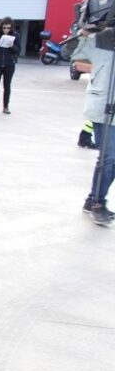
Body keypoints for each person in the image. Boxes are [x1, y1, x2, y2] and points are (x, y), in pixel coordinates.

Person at [71, 24, 115, 226]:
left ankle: (92, 200)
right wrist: (83, 37)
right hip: (104, 108)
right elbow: (72, 55)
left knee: (111, 159)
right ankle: (98, 202)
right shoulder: (103, 41)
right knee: (108, 157)